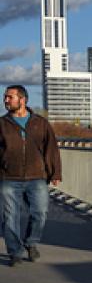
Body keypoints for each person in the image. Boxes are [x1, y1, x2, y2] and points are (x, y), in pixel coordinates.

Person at [0, 85, 61, 267]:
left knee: (40, 213)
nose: (5, 100)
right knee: (10, 217)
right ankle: (15, 252)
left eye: (9, 97)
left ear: (22, 99)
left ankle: (31, 242)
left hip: (37, 177)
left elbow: (51, 148)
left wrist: (55, 172)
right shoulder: (1, 124)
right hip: (9, 177)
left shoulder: (40, 123)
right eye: (5, 97)